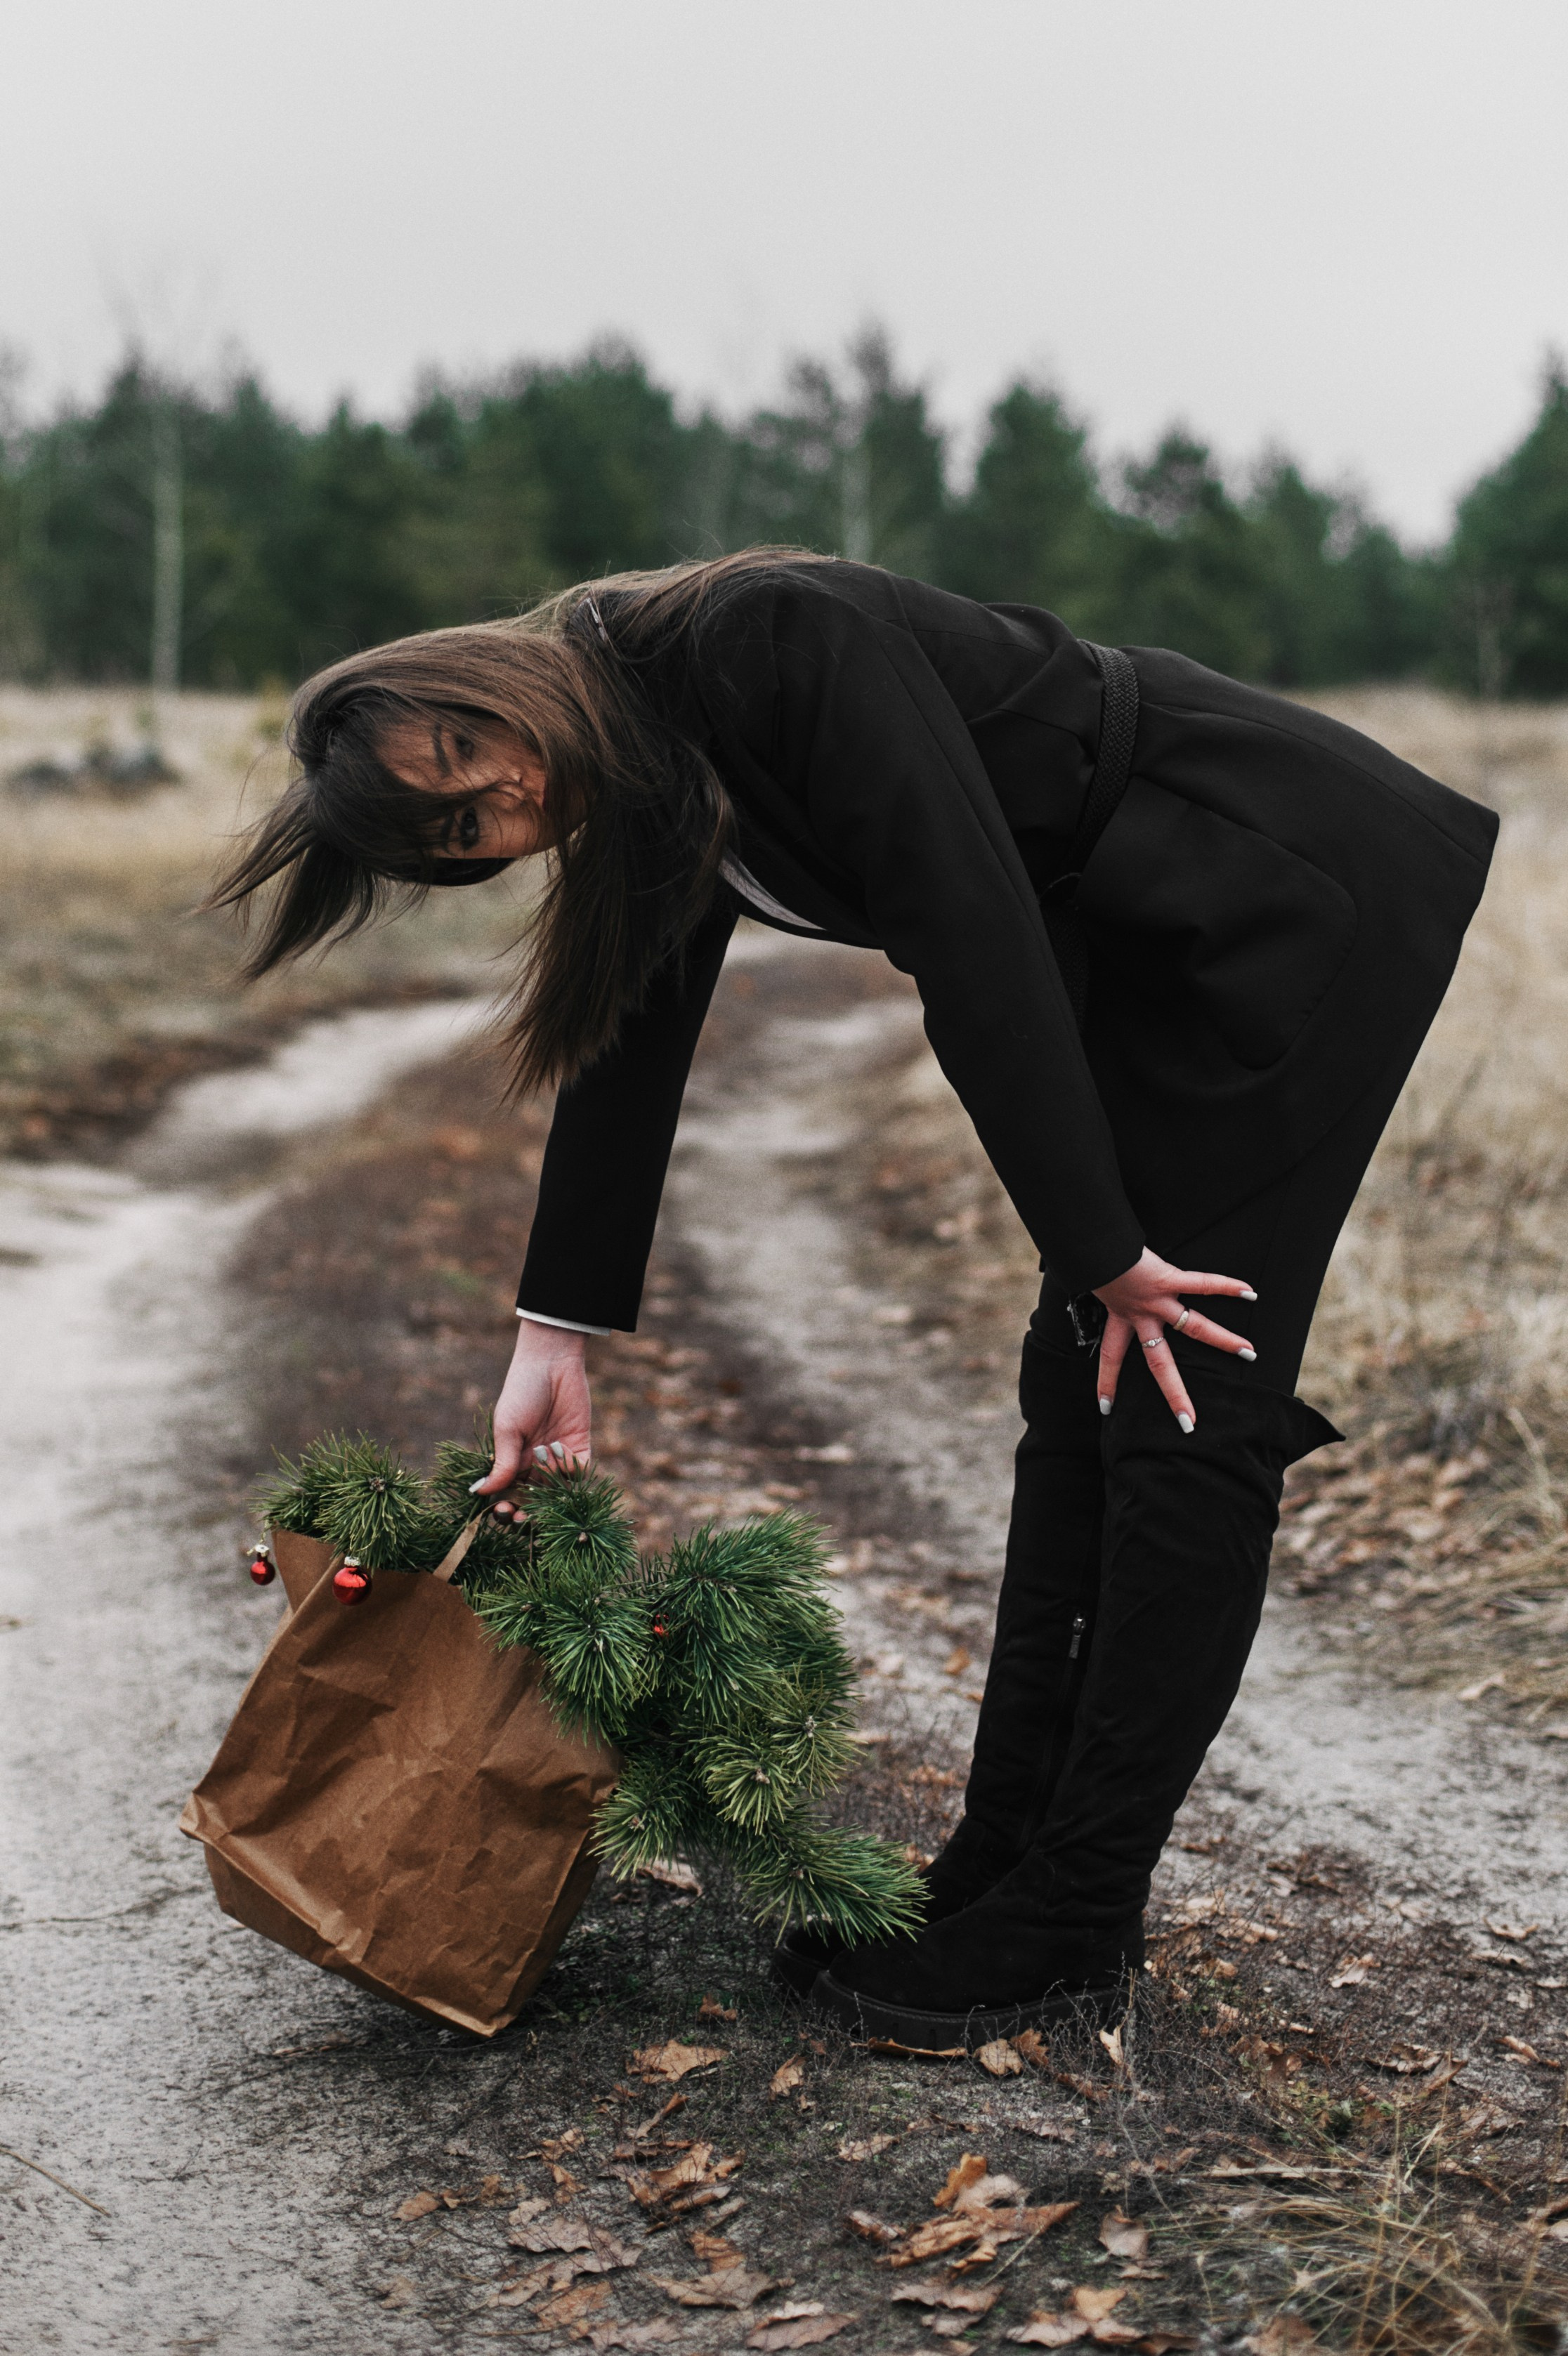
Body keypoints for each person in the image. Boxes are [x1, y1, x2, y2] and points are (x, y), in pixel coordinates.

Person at [212, 551, 1496, 2048]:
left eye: (467, 776)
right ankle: (1002, 1869)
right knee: (1079, 1382)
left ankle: (1078, 1915)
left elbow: (968, 921)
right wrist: (551, 1335)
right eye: (456, 844)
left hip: (1289, 887)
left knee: (1184, 1391)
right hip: (1147, 934)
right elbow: (622, 1038)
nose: (498, 820)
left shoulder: (768, 641)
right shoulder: (640, 755)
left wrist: (1103, 1247)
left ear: (470, 684)